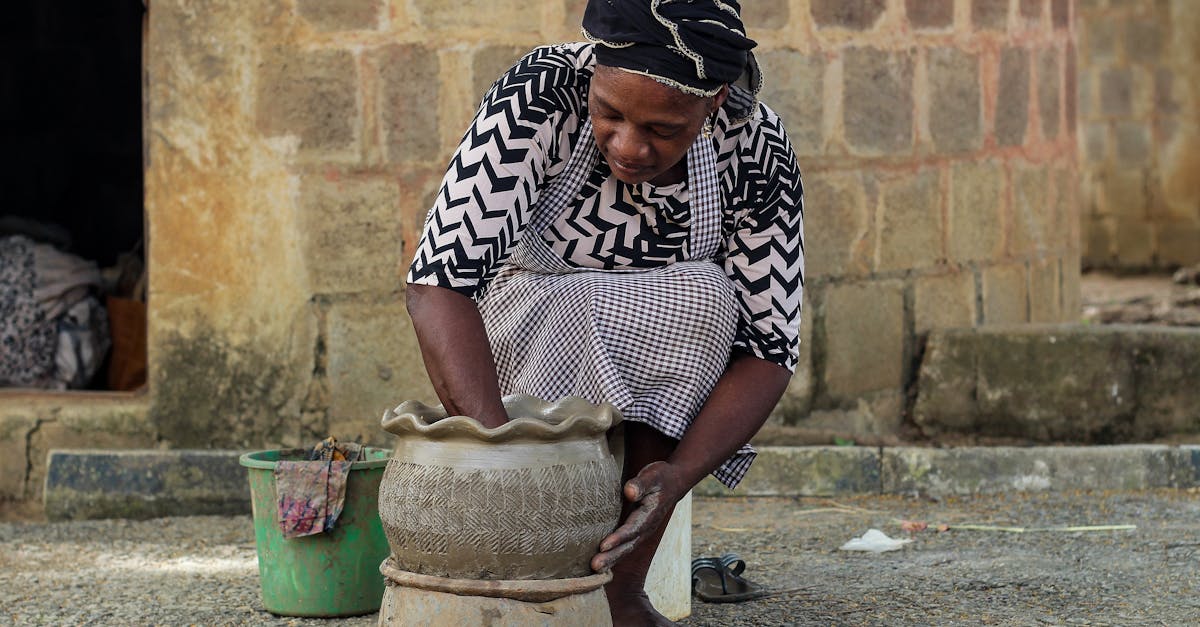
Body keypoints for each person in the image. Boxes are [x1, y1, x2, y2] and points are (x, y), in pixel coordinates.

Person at [404, 1, 804, 624]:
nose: (629, 145)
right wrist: (499, 456)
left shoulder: (756, 147)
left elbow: (770, 347)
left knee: (701, 297)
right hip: (527, 336)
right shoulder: (541, 92)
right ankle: (541, 568)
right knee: (579, 303)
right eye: (610, 113)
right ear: (594, 71)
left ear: (716, 100)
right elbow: (438, 283)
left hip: (662, 380)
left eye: (662, 130)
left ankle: (618, 587)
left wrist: (677, 476)